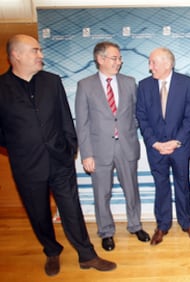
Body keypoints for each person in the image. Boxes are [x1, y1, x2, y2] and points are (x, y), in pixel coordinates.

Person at [0, 34, 116, 276]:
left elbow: (66, 119)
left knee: (72, 209)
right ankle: (52, 251)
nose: (41, 55)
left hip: (59, 161)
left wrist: (69, 150)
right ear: (17, 55)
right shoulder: (1, 88)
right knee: (38, 213)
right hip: (27, 165)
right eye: (35, 50)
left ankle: (87, 255)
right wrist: (21, 148)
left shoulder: (52, 82)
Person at [75, 41, 150, 252]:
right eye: (115, 58)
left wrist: (125, 131)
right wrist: (86, 154)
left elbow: (137, 115)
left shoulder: (129, 82)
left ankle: (135, 225)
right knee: (102, 193)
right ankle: (106, 232)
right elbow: (82, 123)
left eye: (120, 58)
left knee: (131, 190)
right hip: (99, 150)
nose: (119, 61)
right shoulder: (85, 85)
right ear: (100, 59)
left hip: (126, 146)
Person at [136, 47, 190, 245]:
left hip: (180, 147)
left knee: (183, 184)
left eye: (153, 62)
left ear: (168, 64)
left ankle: (186, 222)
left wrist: (176, 141)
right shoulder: (144, 85)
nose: (150, 67)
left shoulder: (186, 83)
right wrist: (155, 143)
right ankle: (162, 225)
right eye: (150, 62)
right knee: (161, 187)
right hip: (156, 149)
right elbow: (142, 117)